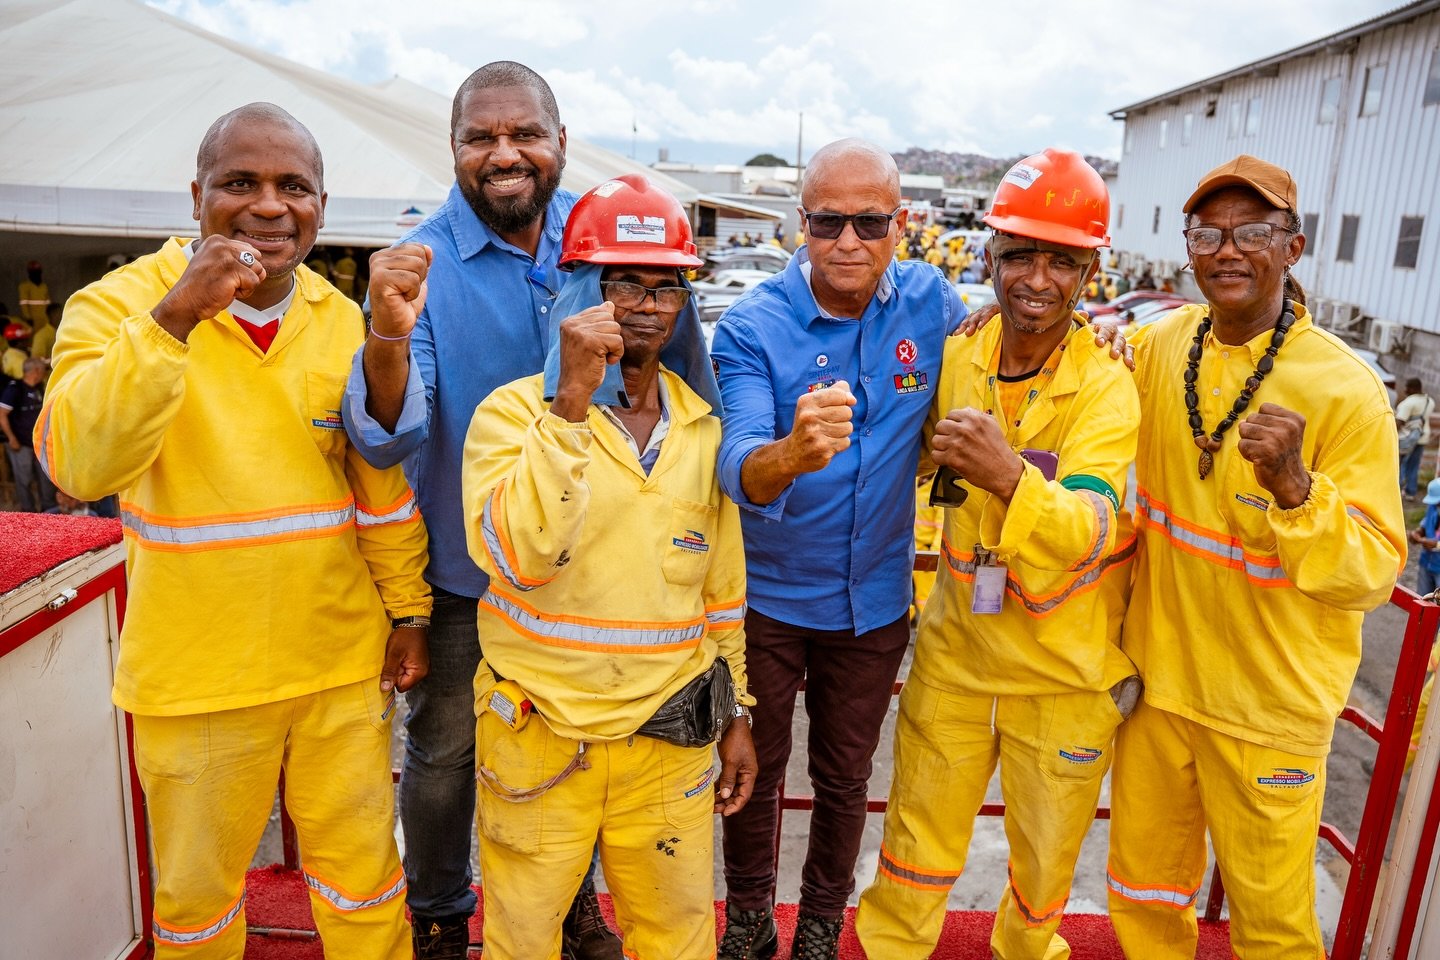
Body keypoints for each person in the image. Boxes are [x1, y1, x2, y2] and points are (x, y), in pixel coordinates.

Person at [35, 103, 432, 960]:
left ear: (322, 204)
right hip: (195, 675)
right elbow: (78, 463)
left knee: (364, 881)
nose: (268, 206)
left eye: (293, 186)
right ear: (196, 196)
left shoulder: (341, 319)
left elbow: (378, 488)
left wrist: (407, 611)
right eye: (240, 183)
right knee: (199, 900)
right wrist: (177, 317)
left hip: (337, 665)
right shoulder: (118, 307)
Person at [342, 61, 622, 959]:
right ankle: (438, 917)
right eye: (480, 138)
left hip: (590, 565)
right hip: (471, 573)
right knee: (446, 761)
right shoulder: (421, 264)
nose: (504, 154)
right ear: (454, 150)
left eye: (524, 134)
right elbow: (387, 436)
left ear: (560, 142)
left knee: (578, 747)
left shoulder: (604, 239)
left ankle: (576, 905)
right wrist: (387, 328)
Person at [444, 172, 757, 959]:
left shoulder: (700, 428)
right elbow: (519, 554)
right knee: (523, 940)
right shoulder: (513, 417)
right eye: (625, 283)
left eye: (667, 288)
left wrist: (738, 714)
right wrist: (573, 407)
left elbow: (721, 593)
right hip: (542, 739)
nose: (648, 307)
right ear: (582, 288)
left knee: (679, 940)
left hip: (669, 744)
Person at [1106, 155, 1404, 959]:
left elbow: (1373, 572)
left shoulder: (1346, 391)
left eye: (1254, 234)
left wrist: (1297, 489)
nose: (1228, 251)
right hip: (1161, 687)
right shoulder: (1163, 344)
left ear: (1294, 247)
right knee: (1143, 895)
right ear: (1189, 248)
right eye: (1209, 233)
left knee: (1272, 927)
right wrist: (991, 322)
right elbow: (1079, 363)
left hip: (1269, 710)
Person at [854, 148, 1141, 959]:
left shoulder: (1108, 387)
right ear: (990, 257)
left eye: (1062, 260)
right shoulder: (960, 354)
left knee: (1044, 872)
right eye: (1020, 255)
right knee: (912, 848)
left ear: (1091, 271)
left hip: (1065, 676)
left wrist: (1009, 477)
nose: (1037, 278)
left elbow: (1086, 526)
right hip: (958, 658)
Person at [709, 138, 966, 960]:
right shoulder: (751, 327)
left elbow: (1007, 354)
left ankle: (821, 922)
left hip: (874, 603)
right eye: (828, 221)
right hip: (768, 604)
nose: (848, 241)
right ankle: (749, 919)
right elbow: (737, 467)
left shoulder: (935, 305)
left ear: (901, 225)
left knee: (848, 779)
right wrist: (795, 451)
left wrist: (1089, 342)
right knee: (752, 773)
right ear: (801, 224)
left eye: (869, 222)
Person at [1, 357, 56, 512]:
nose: (45, 373)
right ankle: (28, 512)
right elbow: (2, 414)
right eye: (43, 370)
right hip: (21, 444)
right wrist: (12, 438)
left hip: (40, 444)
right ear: (36, 371)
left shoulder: (39, 388)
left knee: (45, 479)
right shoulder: (15, 389)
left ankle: (49, 511)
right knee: (23, 480)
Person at [1396, 377, 1433, 500]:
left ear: (1412, 388)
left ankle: (1396, 491)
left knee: (1399, 465)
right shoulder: (1430, 401)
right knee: (1414, 465)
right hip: (1422, 437)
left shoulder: (1408, 403)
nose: (1405, 390)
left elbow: (1399, 422)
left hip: (1405, 439)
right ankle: (1411, 492)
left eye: (1407, 387)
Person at [18, 260, 50, 330]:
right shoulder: (24, 286)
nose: (36, 274)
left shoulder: (44, 286)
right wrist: (28, 318)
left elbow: (48, 303)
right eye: (34, 272)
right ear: (29, 274)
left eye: (38, 272)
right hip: (32, 320)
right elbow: (24, 304)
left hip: (44, 319)